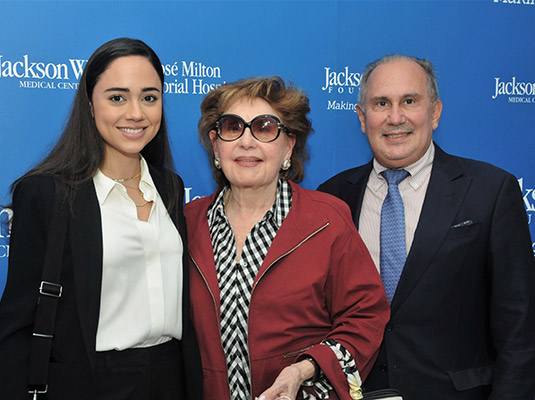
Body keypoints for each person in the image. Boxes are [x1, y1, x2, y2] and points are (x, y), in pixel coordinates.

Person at [318, 54, 535, 399]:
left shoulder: (489, 191)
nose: (395, 117)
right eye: (380, 103)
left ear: (434, 113)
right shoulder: (332, 197)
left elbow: (520, 327)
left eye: (409, 101)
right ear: (362, 118)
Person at [0, 38, 202, 399]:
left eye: (150, 97)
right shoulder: (46, 193)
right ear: (90, 105)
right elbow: (17, 324)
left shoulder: (170, 188)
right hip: (87, 381)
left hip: (172, 378)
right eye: (117, 97)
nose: (136, 113)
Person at [185, 76, 389, 400]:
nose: (246, 142)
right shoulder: (185, 224)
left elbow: (365, 318)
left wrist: (303, 369)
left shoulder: (327, 221)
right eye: (232, 127)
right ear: (215, 144)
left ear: (288, 146)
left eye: (264, 127)